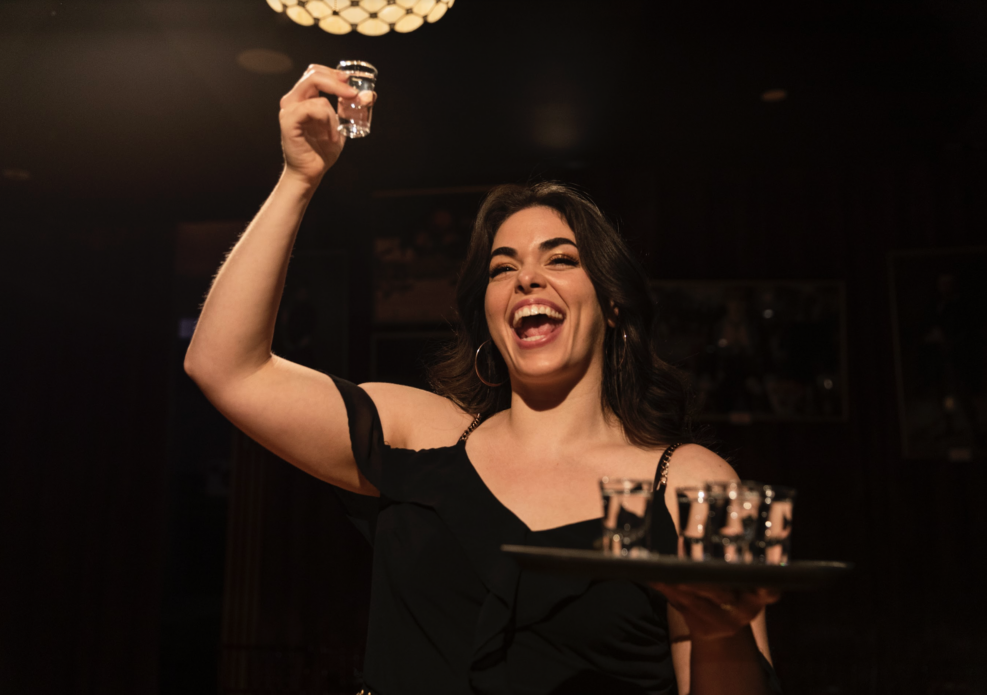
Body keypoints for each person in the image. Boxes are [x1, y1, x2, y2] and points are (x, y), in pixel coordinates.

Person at [184, 64, 781, 695]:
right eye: (503, 268)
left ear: (611, 306)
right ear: (489, 317)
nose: (526, 279)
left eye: (561, 258)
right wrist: (298, 180)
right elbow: (225, 367)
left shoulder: (689, 482)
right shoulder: (421, 438)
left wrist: (723, 632)